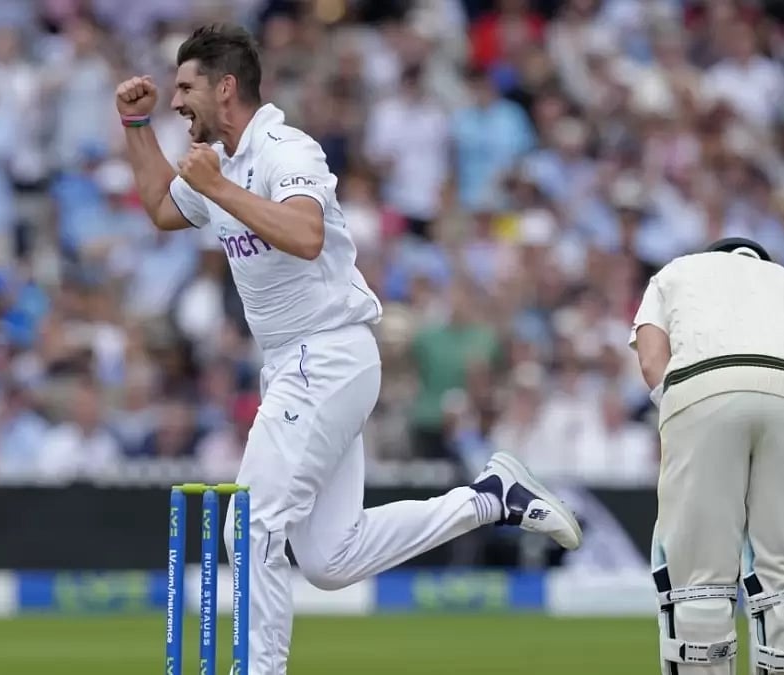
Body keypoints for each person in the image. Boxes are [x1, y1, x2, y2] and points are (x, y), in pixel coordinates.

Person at [114, 24, 582, 675]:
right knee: (331, 557)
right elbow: (164, 207)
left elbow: (306, 234)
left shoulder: (284, 148)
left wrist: (219, 189)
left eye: (185, 87)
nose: (175, 101)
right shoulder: (219, 162)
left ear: (226, 88)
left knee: (248, 524)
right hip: (297, 363)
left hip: (327, 352)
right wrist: (136, 124)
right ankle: (488, 497)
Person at [630, 237, 784, 675]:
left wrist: (689, 422)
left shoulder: (676, 272)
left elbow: (652, 360)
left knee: (698, 580)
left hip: (705, 386)